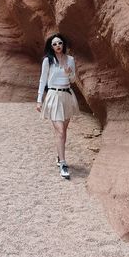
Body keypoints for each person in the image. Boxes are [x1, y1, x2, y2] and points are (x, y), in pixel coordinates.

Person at [36, 33, 79, 179]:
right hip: (53, 95)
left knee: (64, 131)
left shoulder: (70, 60)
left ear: (63, 44)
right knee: (60, 131)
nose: (57, 46)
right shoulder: (48, 61)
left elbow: (73, 79)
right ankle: (63, 163)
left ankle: (59, 155)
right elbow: (43, 80)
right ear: (51, 46)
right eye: (54, 44)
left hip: (67, 95)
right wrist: (39, 100)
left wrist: (69, 73)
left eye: (59, 43)